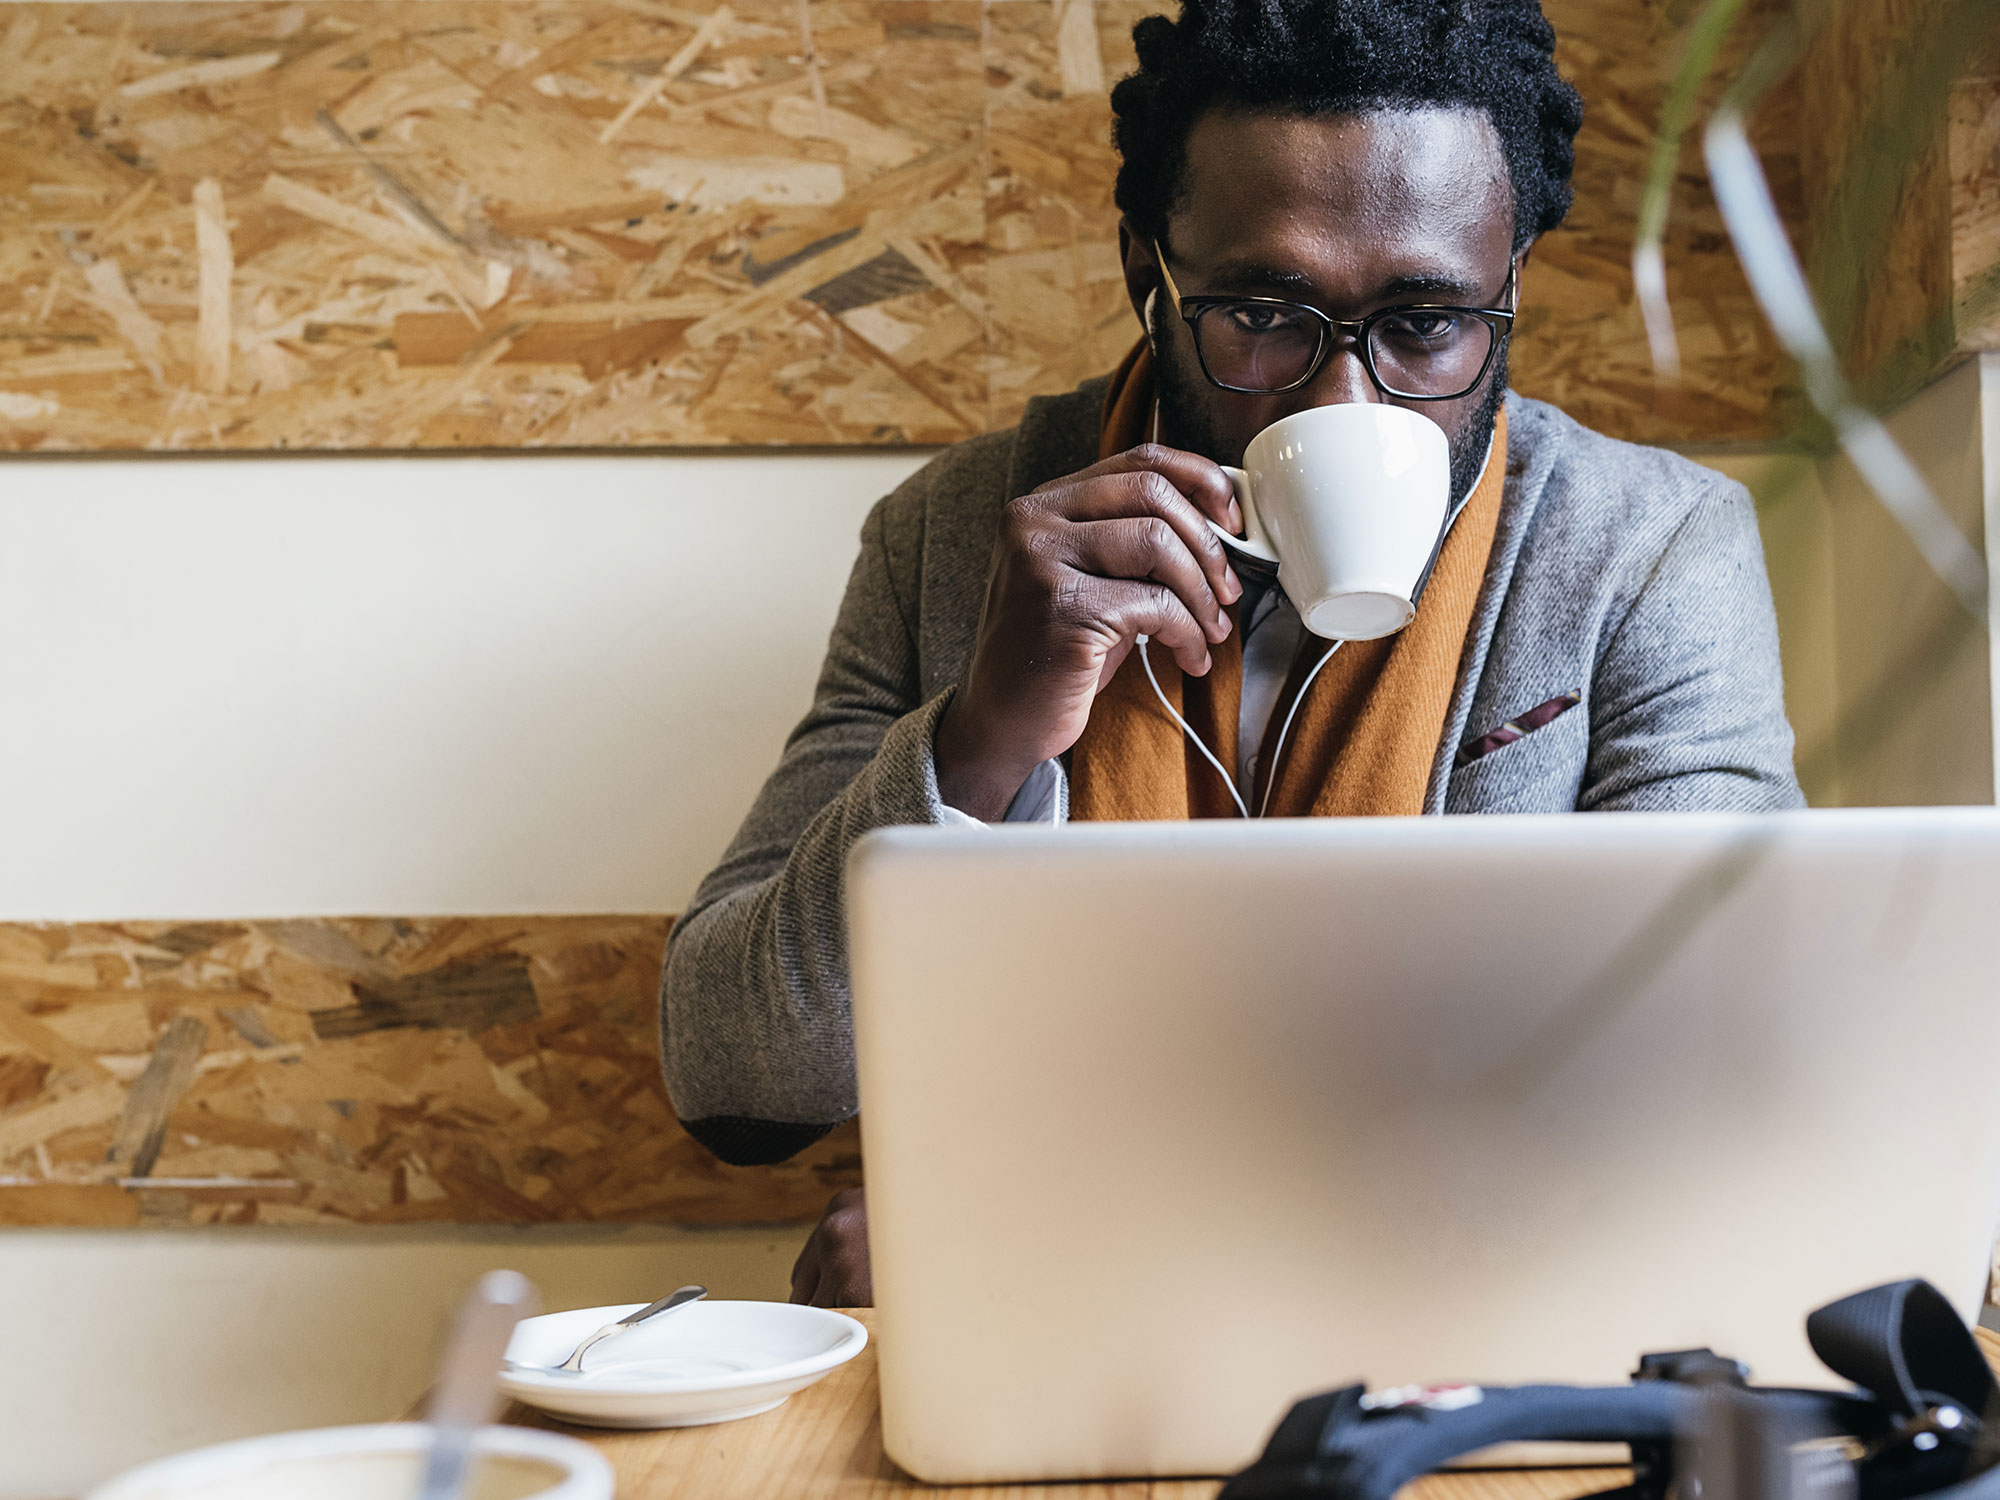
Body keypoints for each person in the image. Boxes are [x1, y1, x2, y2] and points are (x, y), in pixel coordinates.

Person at [661, 0, 1803, 1306]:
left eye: (1428, 324)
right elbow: (731, 1078)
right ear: (1145, 267)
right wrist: (977, 745)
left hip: (1454, 1331)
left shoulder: (1652, 551)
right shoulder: (950, 542)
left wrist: (1049, 1214)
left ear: (1511, 285)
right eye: (1264, 314)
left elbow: (1714, 1062)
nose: (1342, 402)